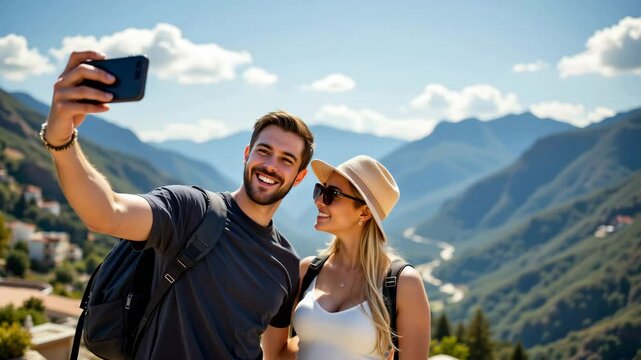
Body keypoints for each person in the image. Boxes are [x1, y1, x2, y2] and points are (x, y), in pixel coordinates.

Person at [42, 51, 314, 359]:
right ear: (247, 153)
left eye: (286, 160)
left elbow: (276, 351)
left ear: (300, 176)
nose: (270, 166)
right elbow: (107, 213)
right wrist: (61, 135)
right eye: (264, 151)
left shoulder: (288, 263)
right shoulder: (191, 210)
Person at [291, 155, 430, 359]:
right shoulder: (308, 270)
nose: (319, 200)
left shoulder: (403, 283)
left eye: (333, 194)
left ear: (364, 212)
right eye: (320, 190)